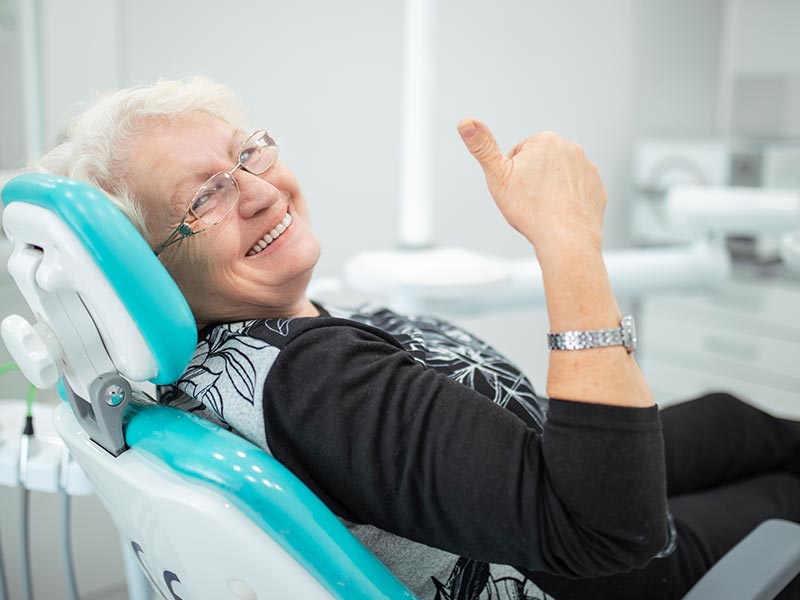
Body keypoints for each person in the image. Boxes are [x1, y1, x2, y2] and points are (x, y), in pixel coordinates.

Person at [34, 77, 800, 600]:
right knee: (783, 498)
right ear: (148, 270)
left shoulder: (222, 358)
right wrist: (569, 242)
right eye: (205, 196)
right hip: (597, 561)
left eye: (247, 154)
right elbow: (607, 532)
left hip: (530, 469)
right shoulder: (316, 382)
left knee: (734, 418)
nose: (263, 191)